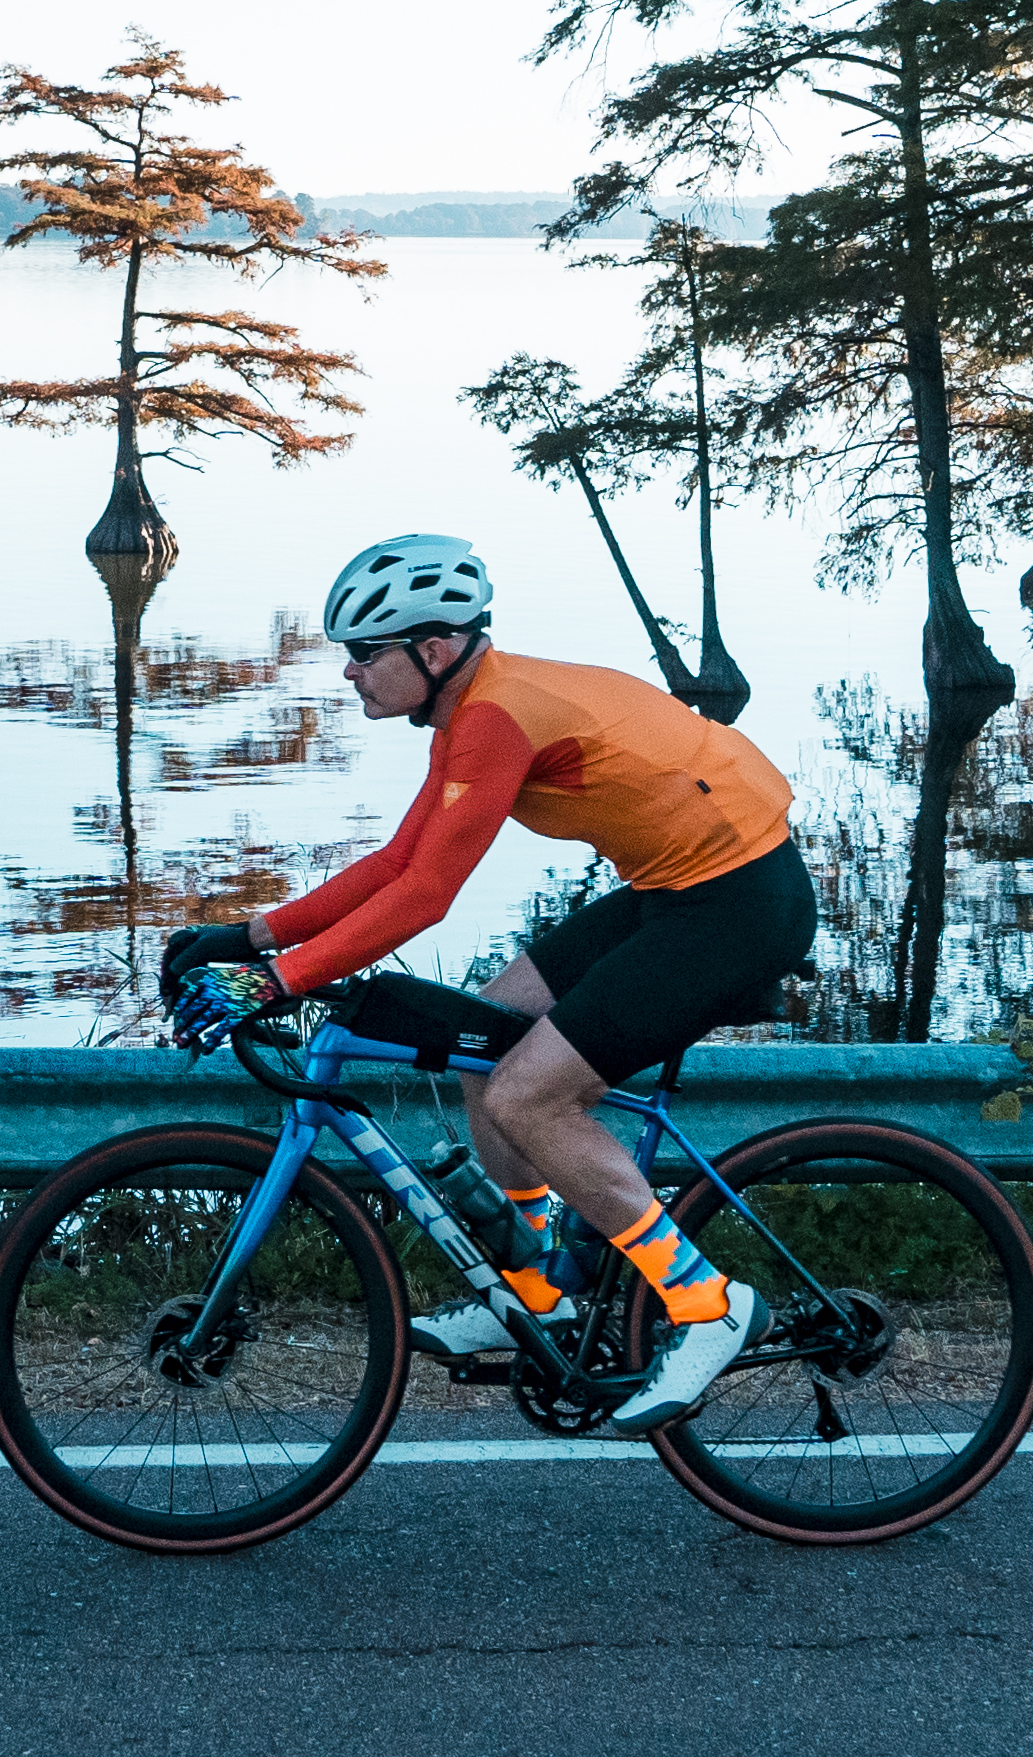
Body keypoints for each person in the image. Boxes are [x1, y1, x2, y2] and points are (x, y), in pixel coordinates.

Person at [159, 531, 816, 1428]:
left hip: (738, 901)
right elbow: (399, 859)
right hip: (676, 886)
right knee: (484, 1033)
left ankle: (707, 1304)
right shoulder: (473, 710)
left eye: (363, 653)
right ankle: (540, 1288)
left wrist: (273, 982)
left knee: (530, 1096)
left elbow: (426, 896)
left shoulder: (499, 717)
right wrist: (250, 934)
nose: (349, 673)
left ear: (432, 651)